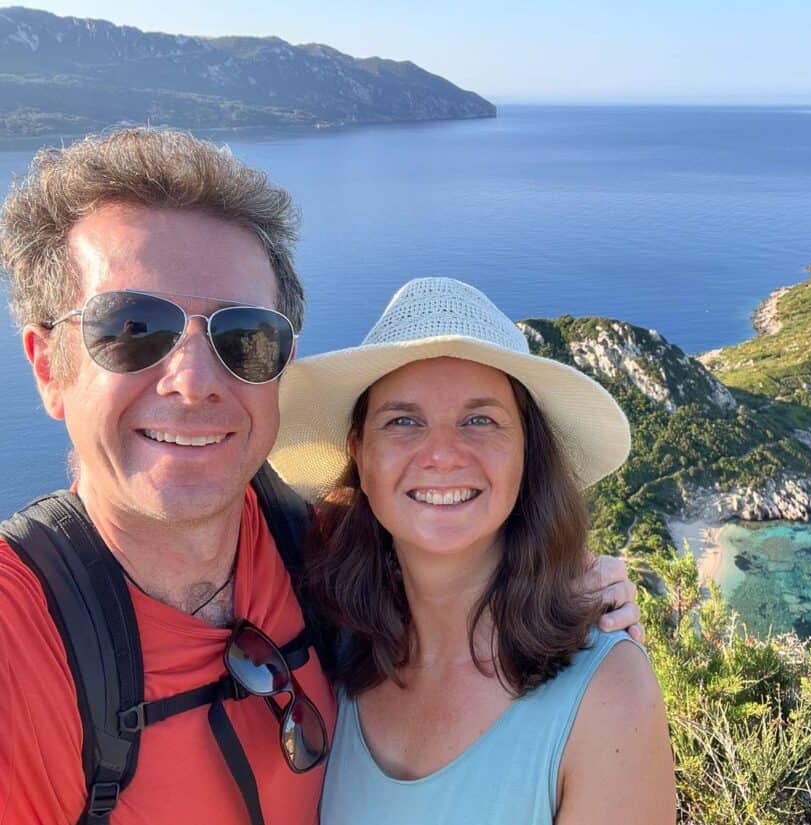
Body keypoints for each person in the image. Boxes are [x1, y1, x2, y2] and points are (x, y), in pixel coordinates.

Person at [0, 128, 642, 825]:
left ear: (277, 364)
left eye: (241, 336)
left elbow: (458, 562)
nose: (192, 383)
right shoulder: (21, 638)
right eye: (131, 328)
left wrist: (577, 596)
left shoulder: (325, 560)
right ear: (47, 366)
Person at [268, 277, 677, 824]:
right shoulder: (329, 645)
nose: (441, 454)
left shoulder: (607, 695)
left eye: (479, 420)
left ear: (527, 454)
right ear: (360, 455)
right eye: (403, 421)